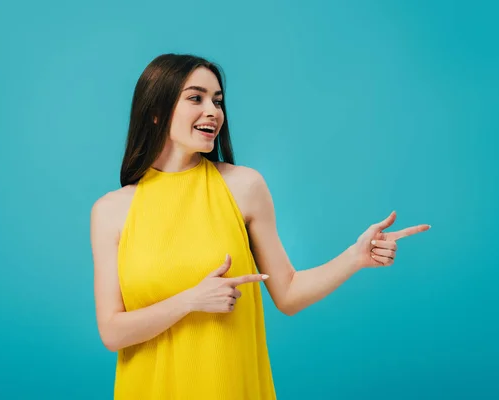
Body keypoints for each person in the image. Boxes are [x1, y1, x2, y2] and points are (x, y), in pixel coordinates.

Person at [89, 53, 431, 399]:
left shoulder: (244, 187)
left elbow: (289, 293)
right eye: (196, 98)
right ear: (156, 111)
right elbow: (112, 332)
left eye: (217, 101)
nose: (213, 111)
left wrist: (356, 257)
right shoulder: (111, 211)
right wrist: (191, 300)